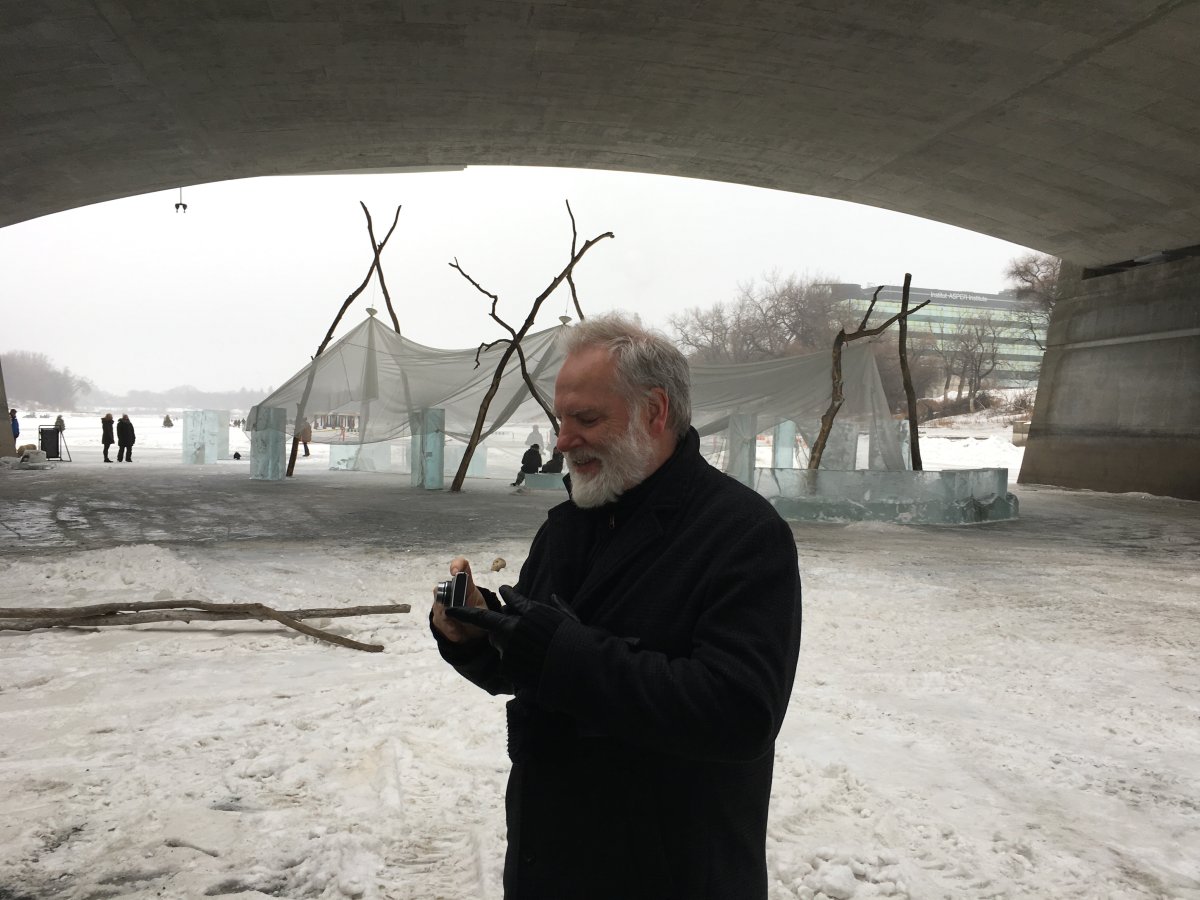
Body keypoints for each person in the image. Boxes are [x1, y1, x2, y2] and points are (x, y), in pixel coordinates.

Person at [430, 314, 803, 899]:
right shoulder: (566, 527)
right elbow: (531, 666)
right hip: (549, 863)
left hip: (670, 873)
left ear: (655, 412)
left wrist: (561, 653)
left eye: (586, 419)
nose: (562, 441)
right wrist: (475, 634)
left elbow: (741, 714)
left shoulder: (743, 533)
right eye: (560, 420)